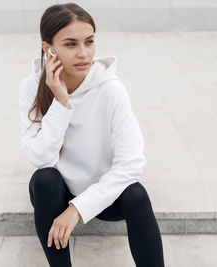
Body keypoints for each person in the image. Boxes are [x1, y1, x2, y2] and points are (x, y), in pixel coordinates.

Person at [18, 3, 165, 266]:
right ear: (48, 49)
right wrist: (61, 103)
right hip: (57, 194)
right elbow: (40, 157)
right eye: (71, 44)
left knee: (137, 195)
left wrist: (78, 209)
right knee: (44, 179)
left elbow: (131, 164)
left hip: (103, 197)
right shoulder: (31, 88)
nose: (84, 53)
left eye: (89, 41)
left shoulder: (111, 90)